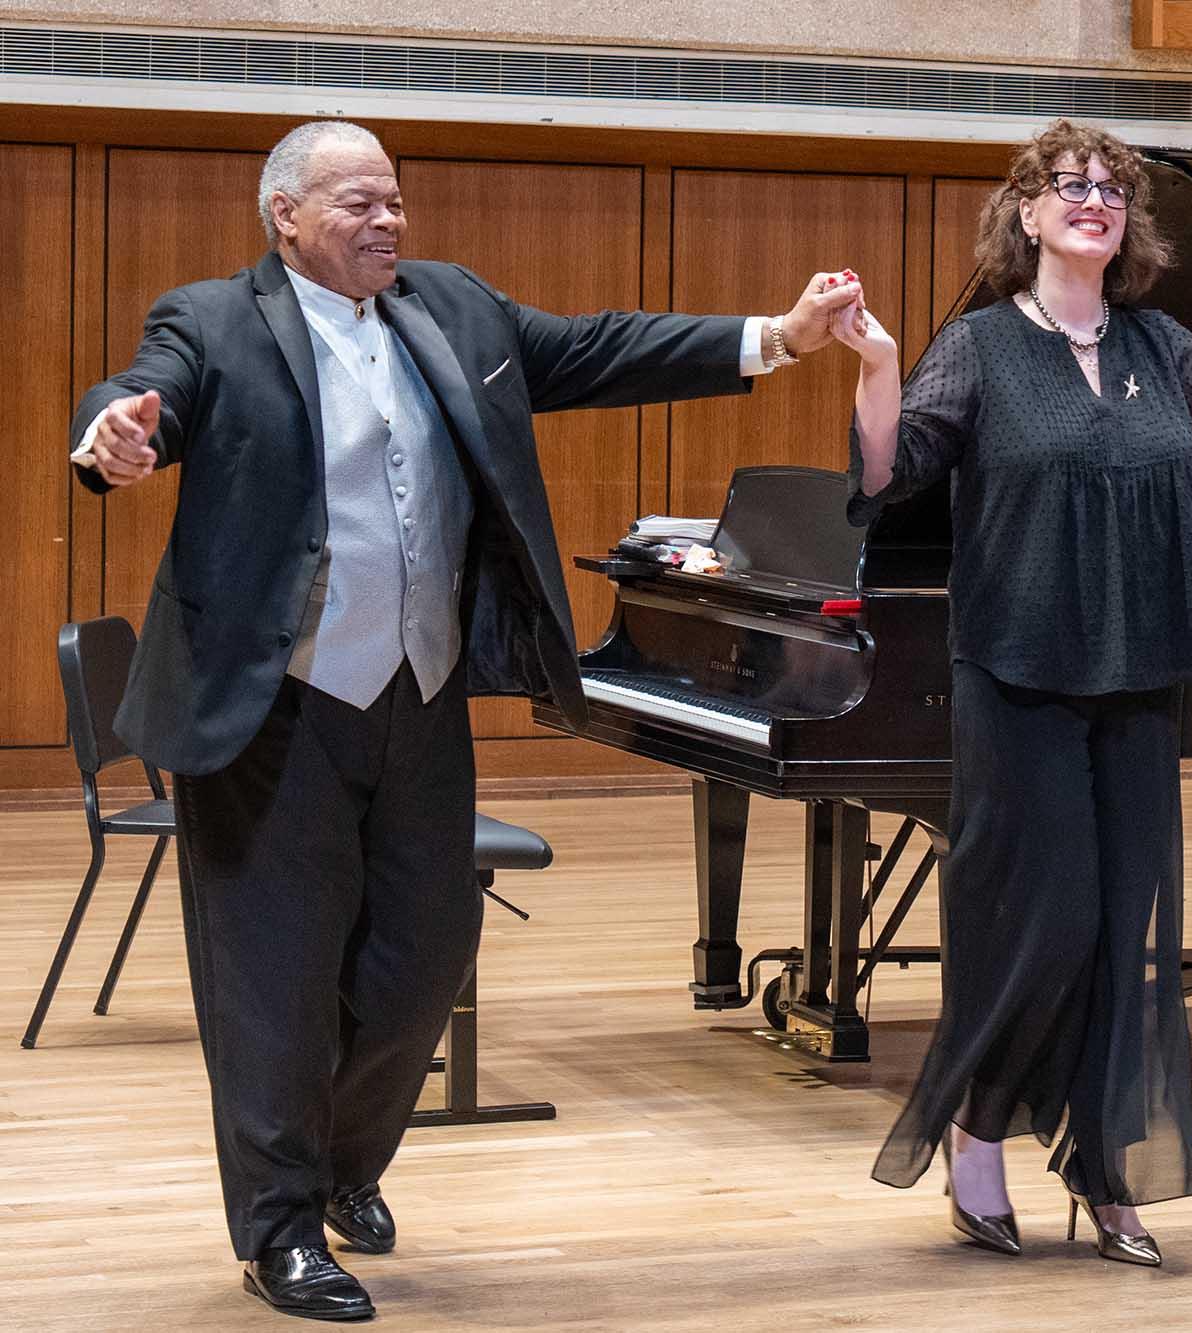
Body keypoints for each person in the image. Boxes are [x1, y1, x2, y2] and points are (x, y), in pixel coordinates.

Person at [69, 119, 861, 1320]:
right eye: (357, 203)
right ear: (283, 215)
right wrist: (116, 434)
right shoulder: (213, 319)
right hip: (270, 706)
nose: (389, 220)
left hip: (423, 692)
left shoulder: (454, 307)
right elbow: (146, 399)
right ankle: (279, 1228)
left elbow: (601, 349)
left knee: (423, 956)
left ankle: (341, 1163)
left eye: (395, 199)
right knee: (272, 979)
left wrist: (779, 339)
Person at [837, 119, 1192, 1266]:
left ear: (1124, 222)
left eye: (1111, 188)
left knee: (1120, 927)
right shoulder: (983, 347)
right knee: (1034, 919)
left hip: (1137, 672)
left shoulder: (1161, 342)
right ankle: (979, 1129)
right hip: (1017, 673)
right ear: (1029, 213)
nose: (1092, 198)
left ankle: (1105, 1170)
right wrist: (873, 365)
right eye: (1070, 184)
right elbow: (892, 469)